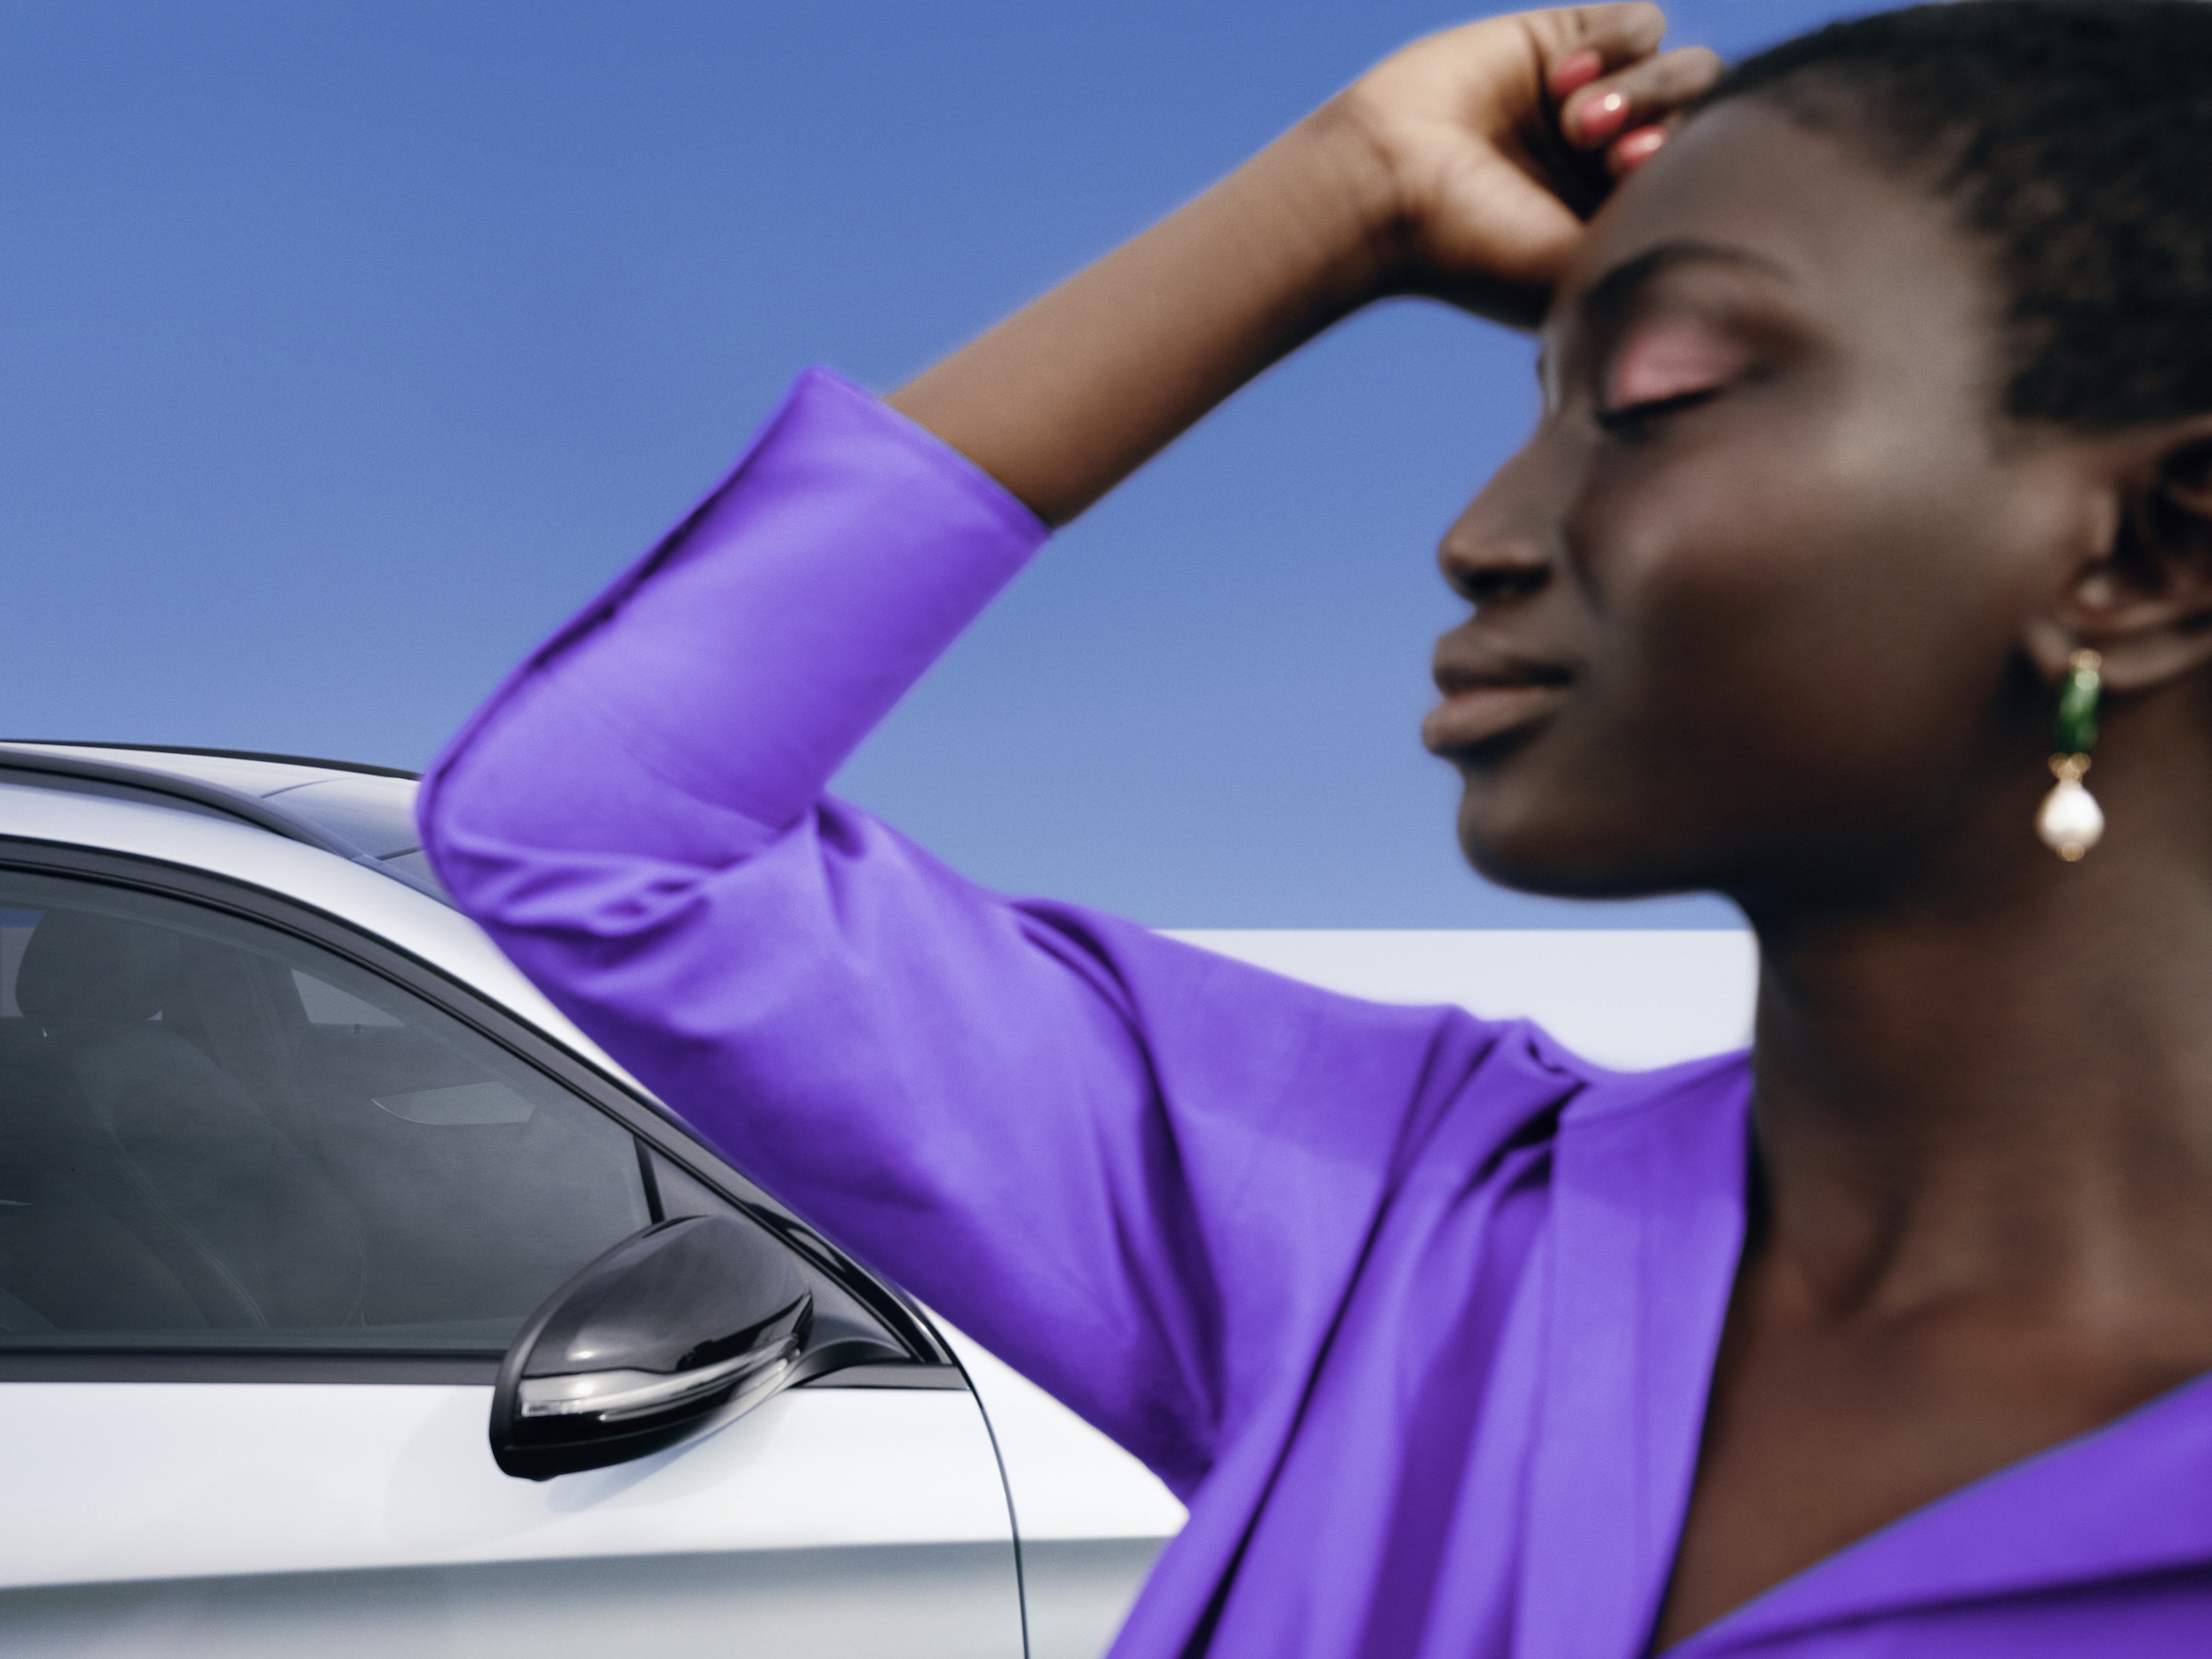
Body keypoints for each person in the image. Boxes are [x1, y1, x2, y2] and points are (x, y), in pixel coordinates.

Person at [417, 2, 2212, 1650]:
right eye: (1539, 404)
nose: (1484, 531)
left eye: (1654, 399)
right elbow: (603, 835)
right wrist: (1340, 203)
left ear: (2142, 554)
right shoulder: (1394, 1221)